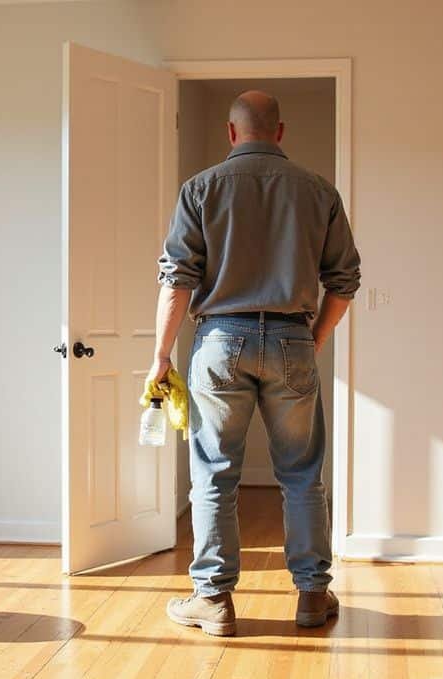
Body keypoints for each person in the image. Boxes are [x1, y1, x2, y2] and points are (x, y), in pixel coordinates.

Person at [148, 90, 361, 637]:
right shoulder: (318, 191)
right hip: (292, 338)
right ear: (281, 132)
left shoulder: (200, 188)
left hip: (220, 341)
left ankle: (214, 600)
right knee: (302, 474)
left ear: (231, 132)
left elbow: (177, 282)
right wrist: (312, 338)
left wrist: (160, 356)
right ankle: (312, 595)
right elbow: (344, 280)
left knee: (215, 474)